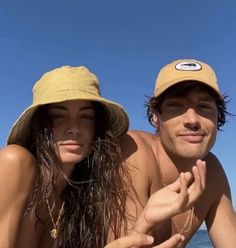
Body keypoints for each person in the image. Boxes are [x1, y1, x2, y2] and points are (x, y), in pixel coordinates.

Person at [0, 65, 204, 248]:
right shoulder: (15, 162)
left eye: (86, 116)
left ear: (97, 128)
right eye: (58, 115)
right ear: (38, 124)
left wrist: (145, 223)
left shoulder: (81, 198)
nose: (74, 128)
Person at [121, 59, 236, 247]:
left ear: (218, 117)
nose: (192, 120)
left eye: (204, 107)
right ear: (156, 117)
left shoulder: (212, 172)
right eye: (176, 105)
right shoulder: (134, 151)